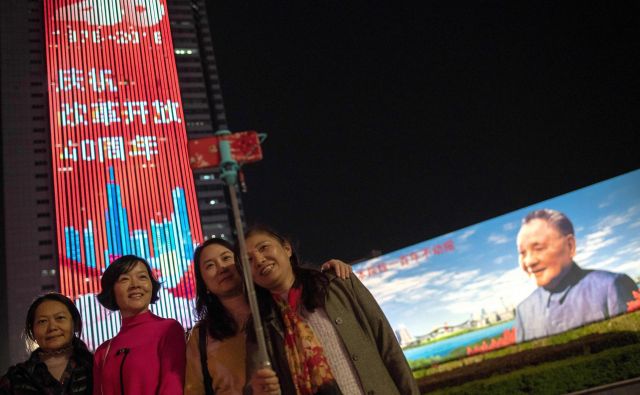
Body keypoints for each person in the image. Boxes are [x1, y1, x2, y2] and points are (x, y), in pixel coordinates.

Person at [243, 225, 419, 395]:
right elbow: (255, 387)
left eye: (264, 247)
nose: (259, 260)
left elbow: (388, 347)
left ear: (287, 249)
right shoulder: (259, 326)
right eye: (248, 260)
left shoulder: (337, 284)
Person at [184, 238, 352, 395]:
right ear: (203, 283)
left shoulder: (280, 308)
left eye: (226, 258)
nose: (222, 267)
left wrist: (330, 272)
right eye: (210, 265)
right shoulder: (201, 337)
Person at [514, 209, 638, 343]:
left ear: (570, 245)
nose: (529, 261)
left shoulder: (611, 287)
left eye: (538, 248)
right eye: (522, 253)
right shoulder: (523, 311)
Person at [92, 255, 186, 395]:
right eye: (124, 279)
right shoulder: (102, 353)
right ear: (112, 291)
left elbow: (173, 388)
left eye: (142, 277)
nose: (135, 284)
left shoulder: (169, 329)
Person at [0, 292, 93, 395]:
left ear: (74, 323)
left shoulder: (96, 367)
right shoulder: (16, 378)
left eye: (60, 318)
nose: (52, 327)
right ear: (32, 331)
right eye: (42, 321)